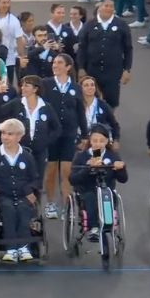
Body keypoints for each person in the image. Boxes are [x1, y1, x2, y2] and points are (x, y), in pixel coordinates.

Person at [0, 118, 41, 262]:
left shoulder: (27, 156)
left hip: (23, 195)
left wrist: (29, 190)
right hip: (2, 196)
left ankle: (24, 247)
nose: (5, 137)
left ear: (19, 136)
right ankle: (11, 248)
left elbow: (35, 179)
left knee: (23, 209)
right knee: (8, 209)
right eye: (3, 133)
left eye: (10, 134)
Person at [0, 76, 60, 213]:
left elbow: (57, 128)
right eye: (22, 85)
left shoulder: (46, 107)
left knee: (37, 181)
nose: (23, 88)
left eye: (27, 85)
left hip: (40, 152)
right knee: (19, 178)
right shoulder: (16, 104)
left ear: (35, 89)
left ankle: (34, 212)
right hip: (20, 150)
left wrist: (45, 141)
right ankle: (17, 208)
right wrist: (0, 95)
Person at [39, 56, 86, 218]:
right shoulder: (45, 84)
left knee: (66, 171)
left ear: (68, 67)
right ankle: (51, 203)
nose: (55, 65)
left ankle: (67, 205)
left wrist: (85, 135)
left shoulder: (76, 87)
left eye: (59, 63)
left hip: (69, 133)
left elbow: (80, 112)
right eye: (54, 63)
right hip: (51, 134)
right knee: (51, 170)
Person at [68, 123, 127, 241]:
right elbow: (72, 179)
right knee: (90, 197)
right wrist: (88, 168)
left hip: (107, 191)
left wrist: (121, 169)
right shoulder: (81, 156)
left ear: (106, 141)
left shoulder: (113, 156)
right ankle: (94, 228)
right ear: (90, 141)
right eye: (95, 140)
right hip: (87, 191)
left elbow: (123, 179)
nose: (98, 144)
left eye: (101, 141)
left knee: (108, 196)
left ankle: (108, 223)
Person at [75, 0, 132, 109]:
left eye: (111, 6)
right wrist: (81, 68)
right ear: (99, 8)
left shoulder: (121, 25)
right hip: (92, 70)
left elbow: (128, 49)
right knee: (90, 98)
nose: (109, 8)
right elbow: (82, 48)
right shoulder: (89, 25)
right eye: (106, 6)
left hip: (113, 71)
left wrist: (127, 70)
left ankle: (109, 123)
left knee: (111, 100)